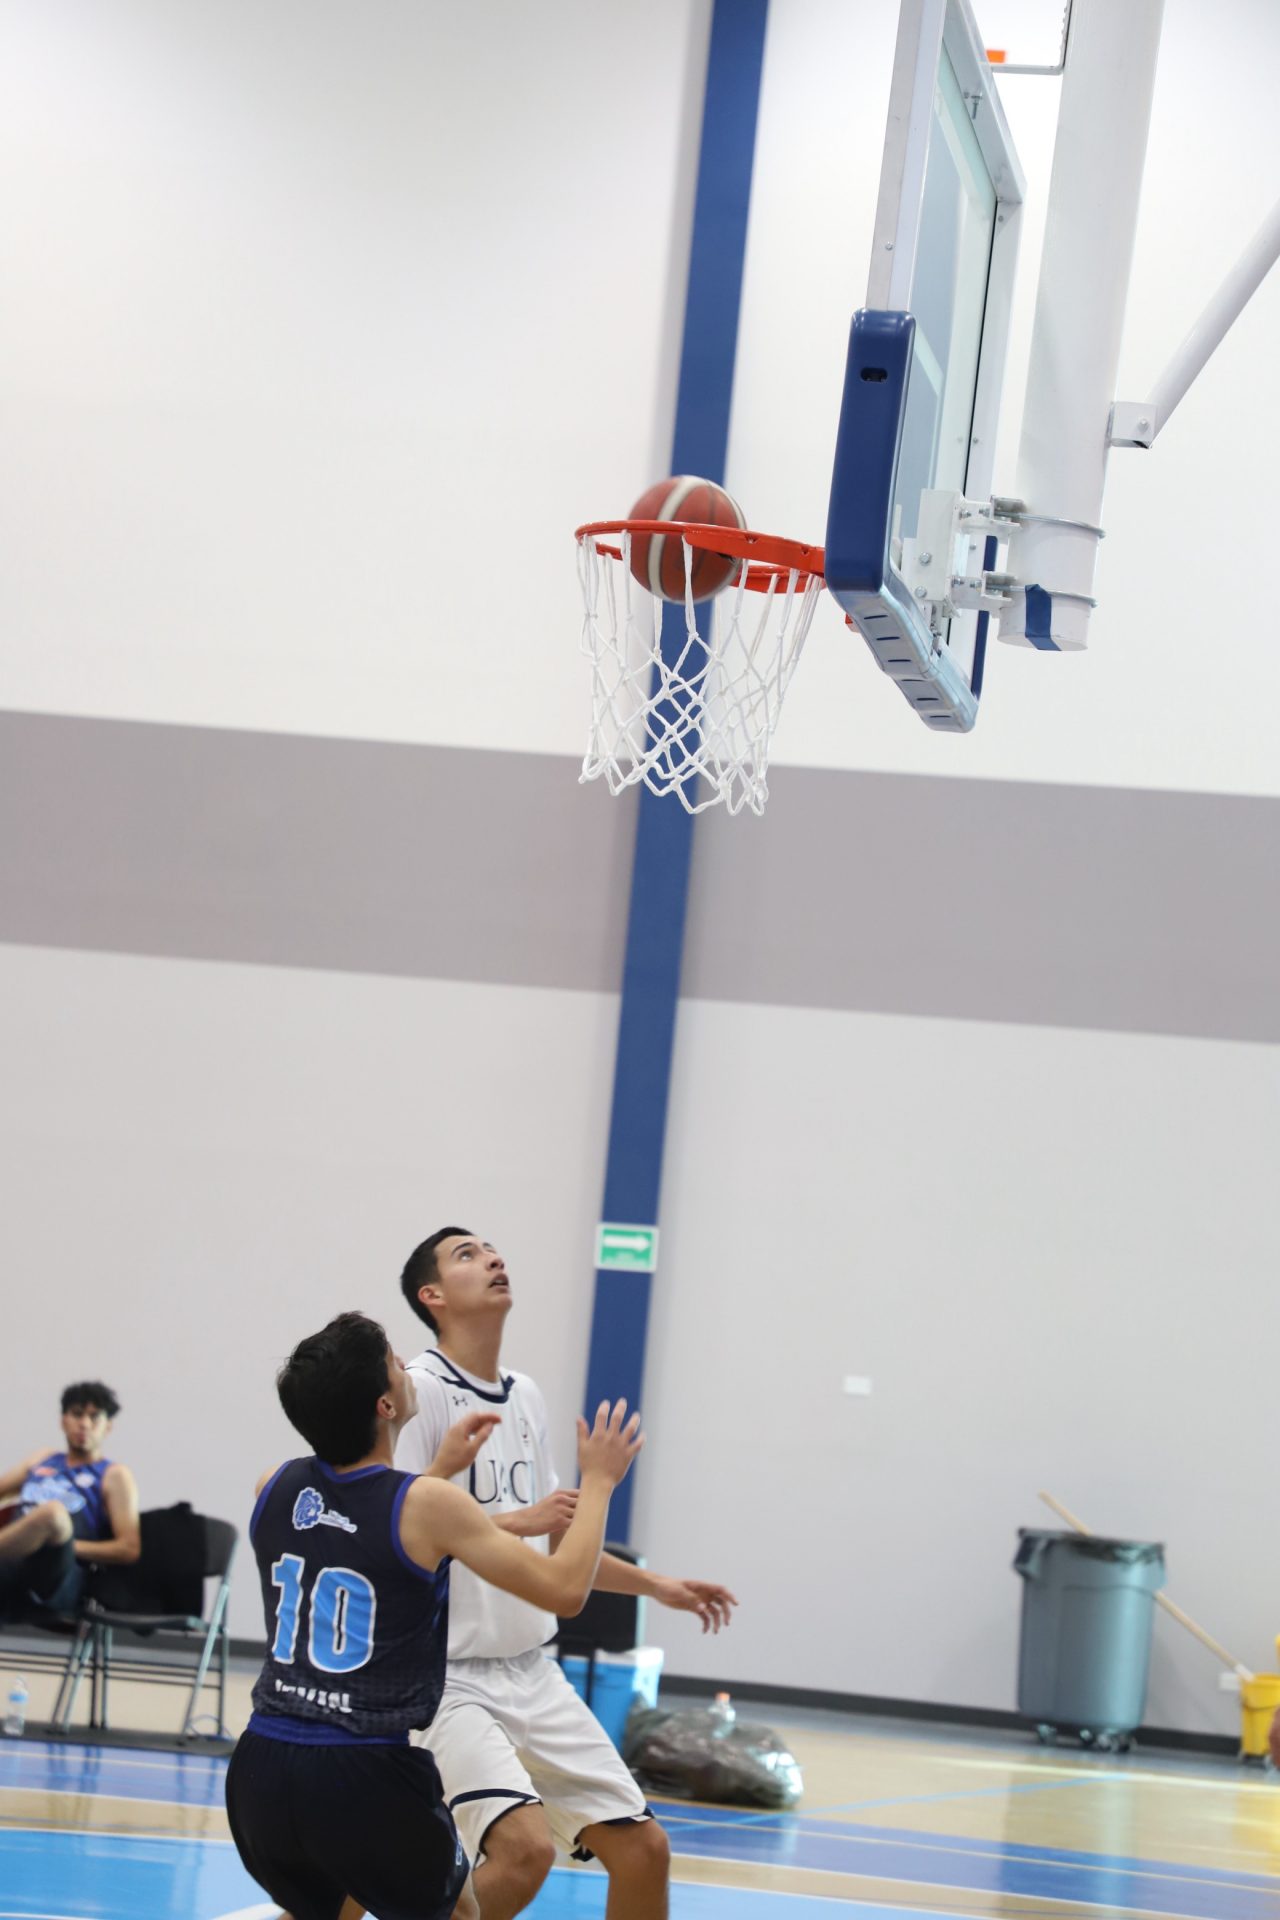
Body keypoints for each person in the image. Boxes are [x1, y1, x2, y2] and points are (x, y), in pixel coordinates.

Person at [226, 1310, 642, 1920]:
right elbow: (566, 1590)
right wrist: (600, 1482)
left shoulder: (274, 1485)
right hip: (362, 1767)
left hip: (262, 1766)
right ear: (385, 1405)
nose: (405, 1365)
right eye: (394, 1362)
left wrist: (439, 1471)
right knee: (462, 1914)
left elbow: (365, 1524)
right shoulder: (428, 1504)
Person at [396, 1227, 739, 1920]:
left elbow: (558, 1543)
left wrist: (657, 1586)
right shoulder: (418, 1390)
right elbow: (397, 1534)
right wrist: (517, 1521)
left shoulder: (524, 1394)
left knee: (645, 1851)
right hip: (447, 1679)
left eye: (492, 1249)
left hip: (533, 1672)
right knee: (525, 1854)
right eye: (467, 1255)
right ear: (432, 1296)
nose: (493, 1258)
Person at [0, 1381, 140, 1622]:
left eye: (94, 1417)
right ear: (63, 1421)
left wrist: (66, 1545)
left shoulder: (114, 1475)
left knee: (53, 1514)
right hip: (13, 1562)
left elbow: (129, 1549)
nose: (84, 1424)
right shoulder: (43, 1459)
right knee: (46, 1515)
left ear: (107, 1427)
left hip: (59, 1574)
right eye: (77, 1414)